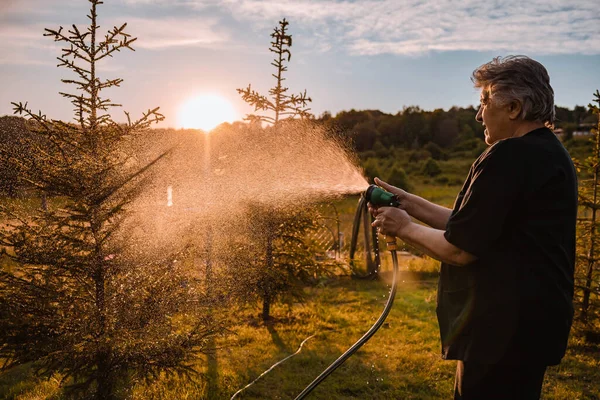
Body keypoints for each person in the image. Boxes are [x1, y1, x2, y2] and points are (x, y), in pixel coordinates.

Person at [370, 55, 577, 400]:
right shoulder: (549, 154)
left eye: (484, 101)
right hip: (530, 328)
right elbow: (474, 226)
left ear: (513, 108)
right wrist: (410, 203)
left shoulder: (509, 156)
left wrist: (403, 227)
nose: (479, 114)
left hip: (501, 331)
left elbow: (460, 249)